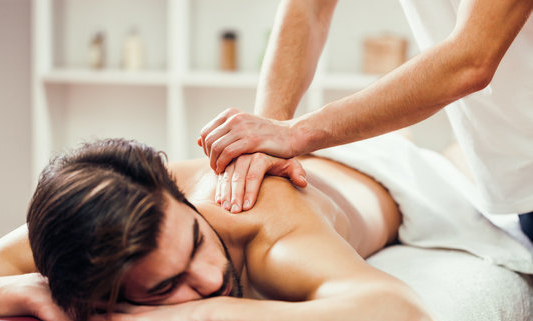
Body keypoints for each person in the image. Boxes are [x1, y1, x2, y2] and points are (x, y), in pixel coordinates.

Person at [0, 138, 447, 321]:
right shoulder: (91, 223)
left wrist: (199, 314)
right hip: (336, 169)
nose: (211, 279)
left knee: (458, 165)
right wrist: (31, 292)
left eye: (195, 241)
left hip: (408, 181)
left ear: (176, 190)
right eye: (165, 286)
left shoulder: (269, 236)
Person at [198, 0, 533, 240]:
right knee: (440, 162)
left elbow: (471, 59)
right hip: (515, 175)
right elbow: (309, 8)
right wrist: (265, 138)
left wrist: (293, 134)